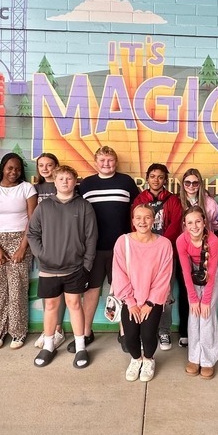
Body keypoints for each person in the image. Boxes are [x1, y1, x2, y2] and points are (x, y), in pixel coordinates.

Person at [27, 164, 98, 369]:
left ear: (75, 182)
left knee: (75, 305)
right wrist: (43, 255)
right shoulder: (44, 206)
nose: (65, 182)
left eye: (69, 178)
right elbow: (32, 234)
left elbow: (91, 237)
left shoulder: (84, 206)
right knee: (50, 306)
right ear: (55, 182)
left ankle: (81, 346)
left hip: (75, 268)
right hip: (49, 269)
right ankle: (49, 346)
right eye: (61, 179)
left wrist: (87, 264)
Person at [75, 145, 140, 354]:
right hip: (93, 248)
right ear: (96, 162)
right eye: (102, 160)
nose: (106, 164)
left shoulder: (126, 182)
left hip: (121, 249)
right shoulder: (86, 184)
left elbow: (137, 212)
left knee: (122, 292)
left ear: (116, 162)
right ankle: (85, 332)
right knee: (91, 291)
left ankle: (124, 333)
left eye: (110, 160)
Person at [0, 152, 38, 350]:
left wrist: (23, 247)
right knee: (0, 289)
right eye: (10, 168)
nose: (13, 172)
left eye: (18, 169)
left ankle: (18, 332)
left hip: (20, 239)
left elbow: (32, 220)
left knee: (17, 289)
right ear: (2, 167)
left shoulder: (26, 188)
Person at [112, 204, 174, 382]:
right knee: (130, 337)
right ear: (132, 221)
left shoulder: (164, 244)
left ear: (154, 220)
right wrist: (131, 302)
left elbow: (164, 275)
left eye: (147, 217)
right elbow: (119, 273)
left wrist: (150, 303)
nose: (142, 221)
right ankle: (136, 359)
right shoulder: (123, 242)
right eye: (138, 217)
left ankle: (148, 360)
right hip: (130, 299)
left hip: (152, 300)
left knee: (148, 335)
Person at [132, 162, 182, 350]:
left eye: (160, 177)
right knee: (142, 293)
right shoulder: (139, 199)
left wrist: (161, 246)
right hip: (142, 255)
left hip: (165, 254)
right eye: (153, 176)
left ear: (165, 180)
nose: (156, 180)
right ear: (147, 178)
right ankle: (145, 330)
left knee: (165, 294)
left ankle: (164, 331)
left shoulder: (173, 200)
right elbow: (135, 224)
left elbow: (176, 225)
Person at [176, 167, 218, 347]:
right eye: (188, 182)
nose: (192, 186)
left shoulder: (209, 203)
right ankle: (186, 333)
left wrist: (209, 242)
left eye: (195, 182)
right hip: (184, 251)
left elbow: (216, 224)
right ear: (183, 185)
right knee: (186, 292)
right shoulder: (176, 201)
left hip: (205, 252)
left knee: (207, 303)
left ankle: (207, 343)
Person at [176, 206, 218, 378]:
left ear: (204, 222)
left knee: (207, 313)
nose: (194, 226)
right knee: (194, 313)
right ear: (184, 225)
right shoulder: (181, 240)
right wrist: (194, 298)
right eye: (190, 223)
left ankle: (208, 359)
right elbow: (185, 272)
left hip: (211, 271)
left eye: (197, 221)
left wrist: (206, 300)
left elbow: (211, 272)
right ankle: (194, 357)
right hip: (192, 271)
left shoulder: (212, 240)